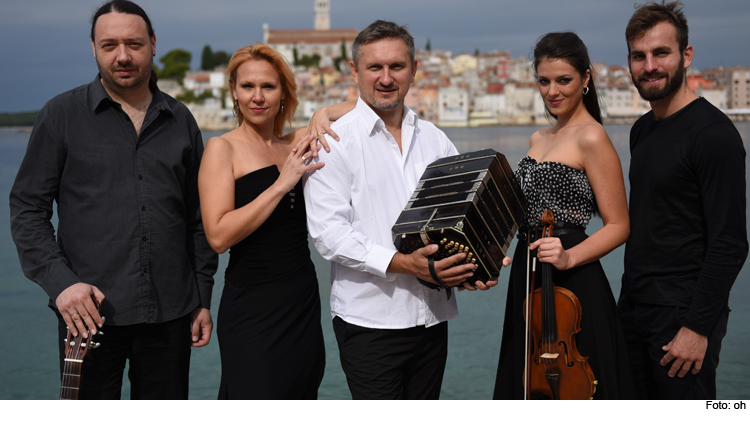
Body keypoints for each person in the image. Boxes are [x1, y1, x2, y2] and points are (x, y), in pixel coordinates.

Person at [9, 0, 218, 399]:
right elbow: (27, 210)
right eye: (109, 45)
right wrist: (61, 285)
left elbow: (197, 218)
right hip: (85, 315)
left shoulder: (181, 120)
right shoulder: (61, 115)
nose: (122, 56)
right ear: (93, 48)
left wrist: (202, 296)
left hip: (171, 313)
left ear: (153, 44)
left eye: (134, 44)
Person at [304, 20, 496, 400]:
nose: (386, 77)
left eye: (397, 67)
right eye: (375, 67)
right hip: (370, 322)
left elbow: (461, 214)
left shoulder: (435, 138)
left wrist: (477, 266)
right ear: (355, 72)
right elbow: (329, 234)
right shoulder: (333, 142)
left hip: (432, 316)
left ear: (414, 70)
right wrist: (404, 263)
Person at [198, 44, 354, 399]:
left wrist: (323, 113)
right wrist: (282, 183)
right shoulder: (221, 149)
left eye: (268, 87)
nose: (257, 97)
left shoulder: (295, 142)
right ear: (234, 93)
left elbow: (364, 107)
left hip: (301, 300)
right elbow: (218, 237)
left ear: (283, 93)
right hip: (252, 307)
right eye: (247, 87)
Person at [493, 32, 636, 399]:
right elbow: (521, 216)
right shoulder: (538, 138)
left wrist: (569, 255)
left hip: (572, 280)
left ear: (586, 79)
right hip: (527, 279)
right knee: (528, 386)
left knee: (580, 390)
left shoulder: (593, 138)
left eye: (563, 80)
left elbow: (619, 225)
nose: (552, 90)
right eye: (544, 80)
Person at [619, 1, 747, 399]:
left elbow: (730, 243)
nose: (650, 66)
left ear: (686, 56)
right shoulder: (641, 130)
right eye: (639, 56)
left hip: (682, 318)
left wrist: (697, 329)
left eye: (661, 53)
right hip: (635, 307)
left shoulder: (714, 135)